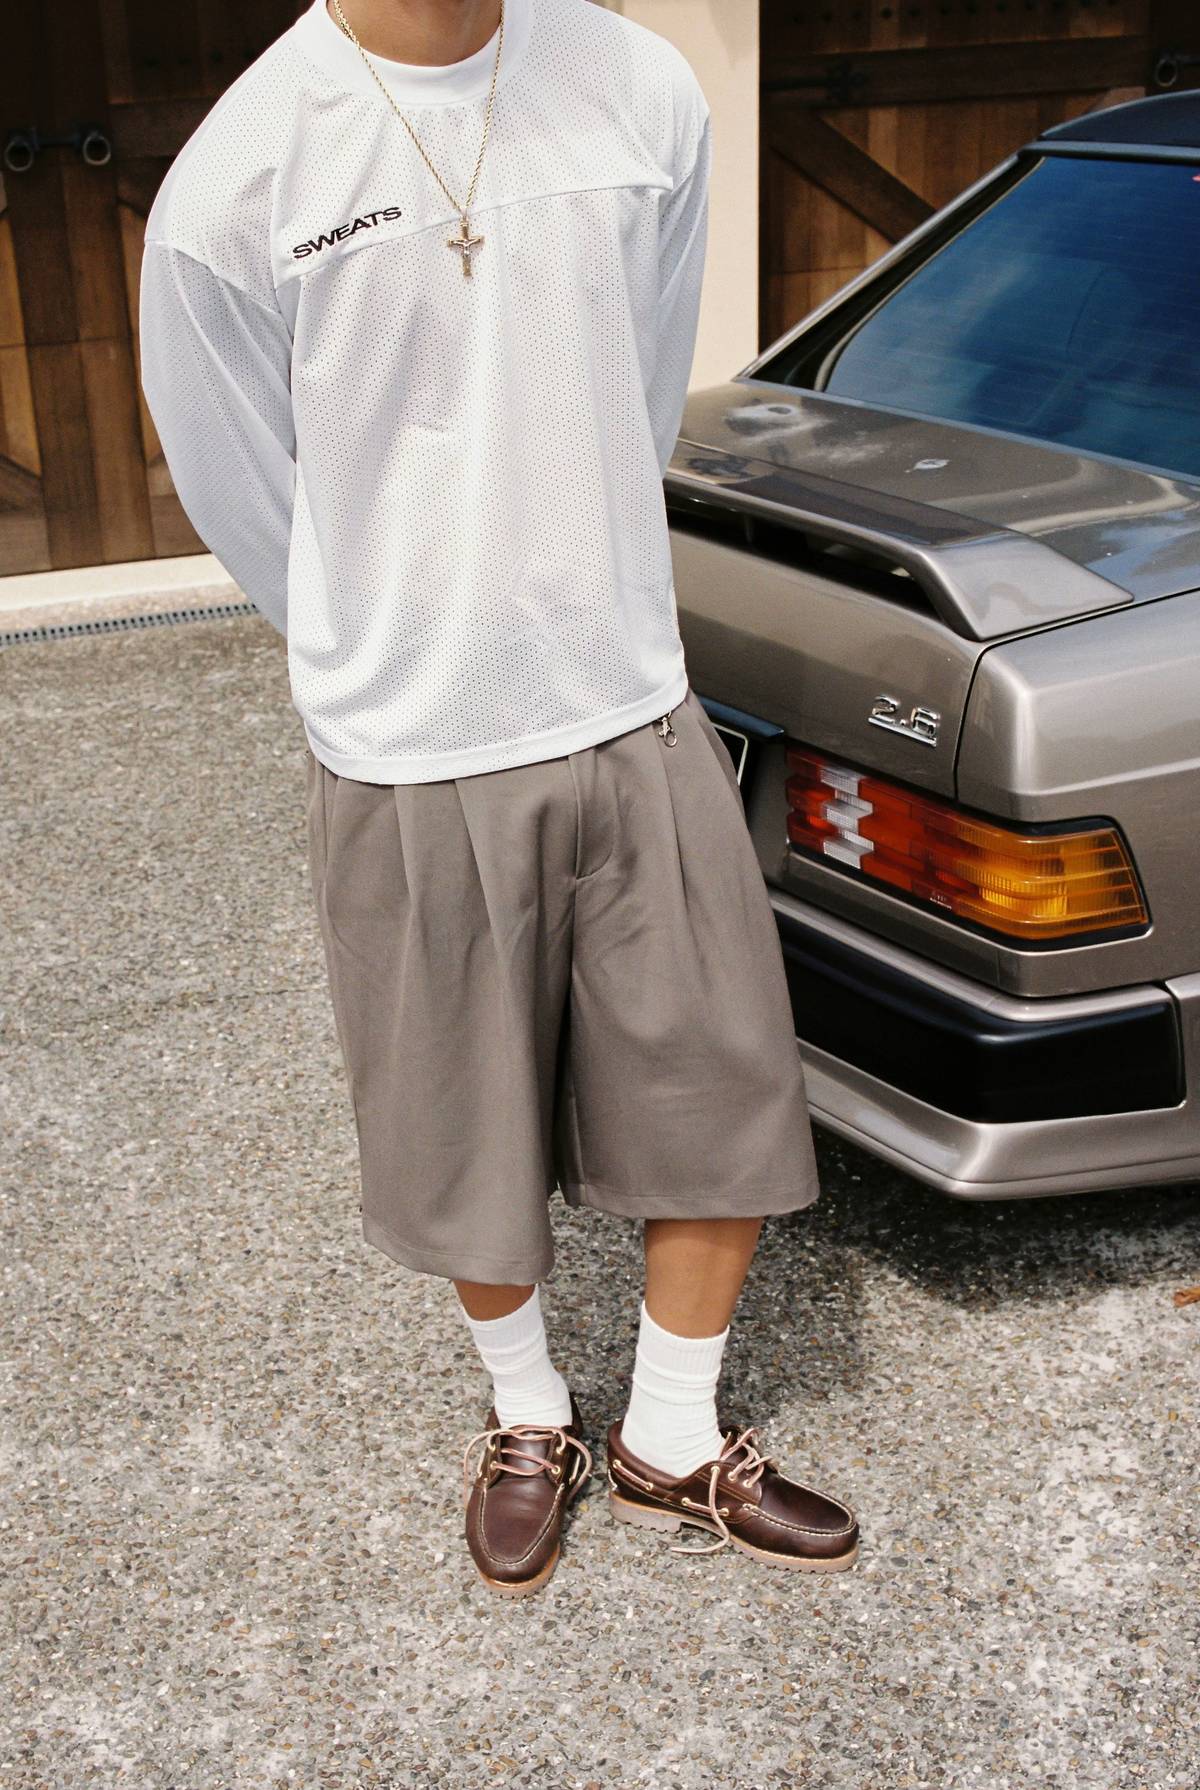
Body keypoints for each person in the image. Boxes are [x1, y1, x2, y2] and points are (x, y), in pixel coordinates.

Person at [138, 0, 858, 1596]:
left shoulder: (638, 88)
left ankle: (670, 1431)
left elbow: (640, 372)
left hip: (625, 689)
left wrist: (574, 572)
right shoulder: (239, 182)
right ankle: (528, 1411)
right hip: (413, 737)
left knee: (720, 1076)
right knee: (455, 1117)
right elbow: (247, 489)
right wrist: (395, 632)